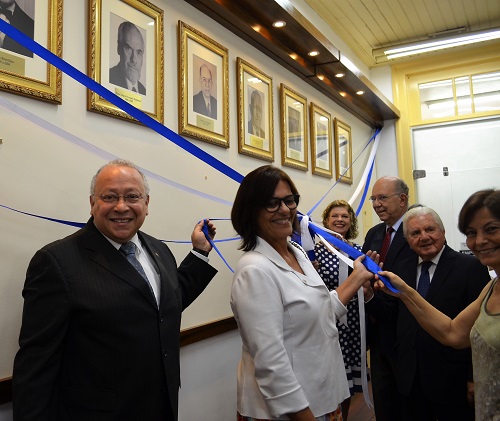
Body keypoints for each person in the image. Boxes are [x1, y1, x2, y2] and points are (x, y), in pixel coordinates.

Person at [12, 159, 218, 421]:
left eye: (132, 197)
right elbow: (36, 364)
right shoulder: (56, 262)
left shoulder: (159, 249)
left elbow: (163, 307)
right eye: (109, 197)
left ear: (146, 204)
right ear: (92, 203)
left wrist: (199, 253)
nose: (121, 206)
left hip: (161, 405)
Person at [230, 165, 377, 421]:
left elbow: (323, 311)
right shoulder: (254, 270)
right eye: (272, 203)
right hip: (291, 412)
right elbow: (271, 363)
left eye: (289, 200)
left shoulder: (296, 252)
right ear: (251, 211)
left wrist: (357, 277)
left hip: (321, 398)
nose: (285, 210)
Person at [375, 188, 500, 420]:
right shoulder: (492, 288)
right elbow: (453, 332)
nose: (480, 241)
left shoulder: (470, 268)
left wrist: (471, 378)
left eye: (491, 229)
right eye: (471, 233)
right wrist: (396, 292)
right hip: (415, 380)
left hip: (451, 380)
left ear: (443, 232)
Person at [362, 176, 416, 421]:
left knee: (410, 404)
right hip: (379, 330)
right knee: (384, 401)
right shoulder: (374, 234)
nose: (376, 204)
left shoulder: (418, 230)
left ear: (402, 199)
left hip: (408, 330)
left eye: (382, 198)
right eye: (373, 199)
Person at [313, 199, 365, 420]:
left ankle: (343, 417)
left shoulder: (358, 251)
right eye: (335, 216)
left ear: (351, 221)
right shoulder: (314, 252)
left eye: (345, 216)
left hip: (352, 322)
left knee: (347, 382)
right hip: (326, 321)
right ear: (326, 221)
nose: (340, 219)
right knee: (329, 377)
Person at [109, 21, 146, 94]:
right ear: (119, 48)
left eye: (139, 52)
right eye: (128, 49)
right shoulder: (109, 78)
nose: (134, 59)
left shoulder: (143, 91)